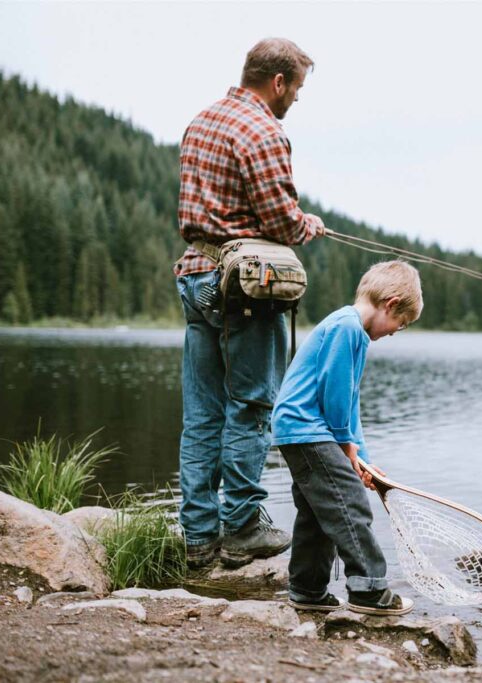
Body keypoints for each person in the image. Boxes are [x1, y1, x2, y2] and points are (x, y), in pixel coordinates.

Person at [174, 38, 324, 569]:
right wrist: (309, 225)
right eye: (297, 88)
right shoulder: (264, 130)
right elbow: (281, 221)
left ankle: (197, 537)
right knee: (252, 407)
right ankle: (240, 526)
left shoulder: (202, 120)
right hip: (240, 291)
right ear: (278, 81)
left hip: (196, 278)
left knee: (202, 416)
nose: (297, 100)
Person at [272, 260, 422, 615]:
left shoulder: (353, 332)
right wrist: (344, 446)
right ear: (391, 304)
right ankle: (369, 589)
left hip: (303, 431)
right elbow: (334, 396)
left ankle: (307, 590)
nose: (394, 332)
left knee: (318, 511)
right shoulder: (347, 328)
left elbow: (350, 404)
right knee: (350, 503)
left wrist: (362, 459)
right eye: (399, 325)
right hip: (307, 429)